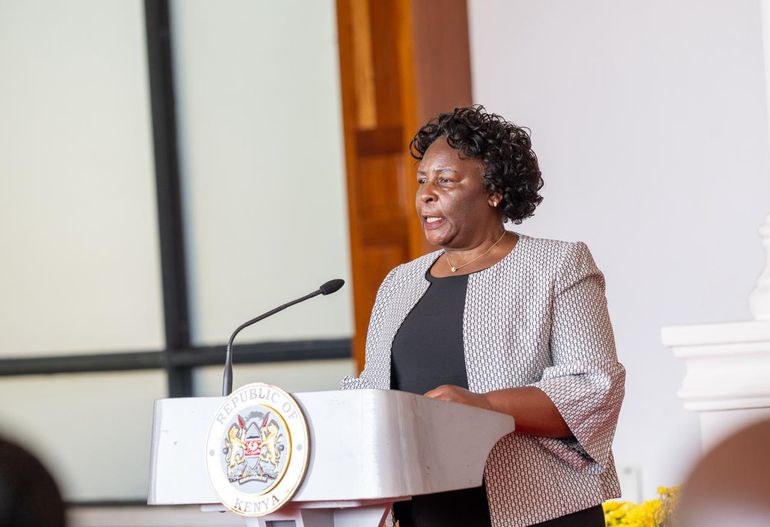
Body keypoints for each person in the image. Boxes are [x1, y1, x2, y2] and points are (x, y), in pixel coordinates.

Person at [342, 105, 625, 527]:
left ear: (493, 191)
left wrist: (482, 406)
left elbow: (592, 388)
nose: (425, 194)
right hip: (426, 513)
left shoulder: (556, 265)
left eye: (446, 180)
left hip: (536, 509)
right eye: (421, 181)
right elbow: (374, 390)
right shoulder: (399, 284)